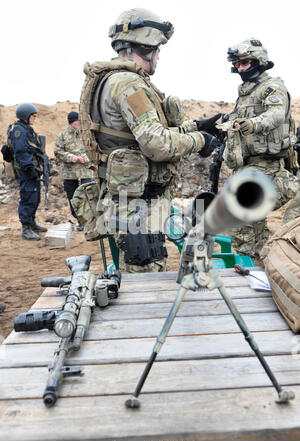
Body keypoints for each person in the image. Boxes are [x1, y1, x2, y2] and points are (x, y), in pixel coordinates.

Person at [77, 7, 219, 273]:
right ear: (147, 47)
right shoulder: (129, 84)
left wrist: (195, 126)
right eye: (157, 50)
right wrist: (199, 140)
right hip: (139, 208)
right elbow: (156, 145)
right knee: (145, 282)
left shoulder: (111, 79)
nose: (158, 57)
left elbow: (133, 136)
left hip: (129, 203)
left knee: (136, 277)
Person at [222, 38, 299, 260]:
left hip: (267, 168)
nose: (241, 68)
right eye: (237, 64)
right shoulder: (245, 95)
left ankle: (258, 269)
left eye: (245, 62)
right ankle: (256, 269)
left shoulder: (272, 87)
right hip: (246, 170)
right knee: (246, 228)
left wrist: (254, 124)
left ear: (258, 61)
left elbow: (275, 115)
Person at [10, 103, 48, 240]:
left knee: (35, 197)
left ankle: (31, 223)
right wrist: (29, 167)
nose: (35, 118)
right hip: (26, 171)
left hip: (32, 169)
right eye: (33, 116)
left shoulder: (27, 129)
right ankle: (26, 228)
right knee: (27, 198)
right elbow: (20, 151)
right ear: (25, 116)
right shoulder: (19, 130)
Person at [54, 111, 94, 230]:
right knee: (73, 198)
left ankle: (90, 222)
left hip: (86, 172)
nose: (79, 123)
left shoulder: (86, 134)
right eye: (77, 121)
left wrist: (85, 158)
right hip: (70, 175)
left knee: (88, 197)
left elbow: (93, 148)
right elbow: (58, 152)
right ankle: (80, 221)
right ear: (72, 122)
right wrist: (71, 157)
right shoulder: (62, 136)